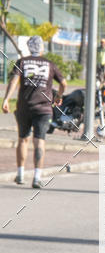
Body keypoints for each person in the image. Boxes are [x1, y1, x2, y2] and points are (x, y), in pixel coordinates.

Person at [1, 35, 66, 188]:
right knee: (39, 141)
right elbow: (63, 83)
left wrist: (5, 99)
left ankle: (20, 173)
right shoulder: (50, 64)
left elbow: (13, 81)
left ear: (29, 48)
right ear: (42, 48)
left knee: (23, 139)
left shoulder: (22, 62)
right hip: (43, 108)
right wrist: (58, 96)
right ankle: (37, 177)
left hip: (24, 107)